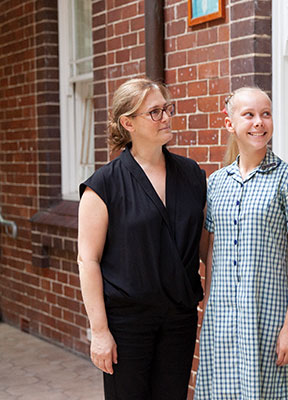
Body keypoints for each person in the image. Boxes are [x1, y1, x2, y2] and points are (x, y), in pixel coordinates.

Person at [77, 77, 207, 399]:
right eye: (154, 112)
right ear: (128, 123)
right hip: (127, 324)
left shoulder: (192, 174)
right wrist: (100, 332)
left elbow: (205, 243)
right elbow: (88, 260)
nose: (165, 117)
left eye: (167, 109)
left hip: (180, 318)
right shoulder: (103, 185)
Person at [193, 87, 288, 400]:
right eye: (249, 115)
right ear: (230, 123)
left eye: (266, 114)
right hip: (222, 318)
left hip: (268, 318)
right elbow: (210, 251)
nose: (259, 122)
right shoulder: (216, 183)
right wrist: (209, 302)